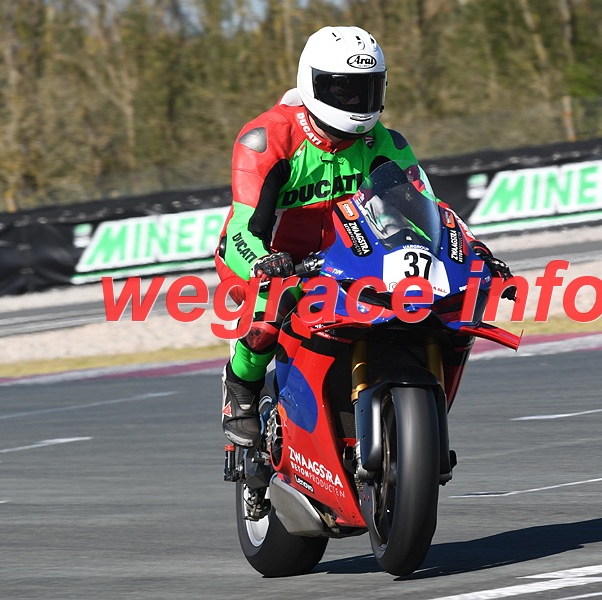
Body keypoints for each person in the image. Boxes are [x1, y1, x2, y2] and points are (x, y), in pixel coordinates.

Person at [215, 25, 513, 447]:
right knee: (270, 311)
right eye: (343, 90)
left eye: (366, 89)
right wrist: (265, 262)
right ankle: (240, 387)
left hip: (344, 256)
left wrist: (474, 249)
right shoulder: (267, 138)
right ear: (313, 83)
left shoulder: (385, 142)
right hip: (268, 254)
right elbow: (246, 225)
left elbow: (429, 209)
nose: (355, 102)